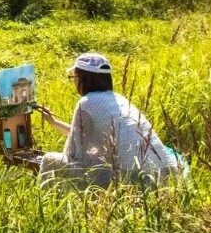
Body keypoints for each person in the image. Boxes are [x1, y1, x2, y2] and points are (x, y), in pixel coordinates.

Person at [36, 52, 186, 188]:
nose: (74, 82)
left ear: (82, 78)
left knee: (50, 160)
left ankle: (55, 210)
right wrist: (54, 122)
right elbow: (81, 135)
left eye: (74, 77)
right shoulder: (117, 99)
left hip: (129, 178)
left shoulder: (86, 103)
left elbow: (75, 153)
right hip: (161, 173)